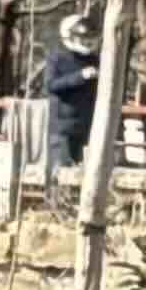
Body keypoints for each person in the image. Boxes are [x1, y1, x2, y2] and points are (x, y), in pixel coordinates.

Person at [39, 11, 104, 176]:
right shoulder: (58, 58)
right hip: (63, 127)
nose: (87, 42)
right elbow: (51, 85)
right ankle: (54, 201)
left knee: (83, 172)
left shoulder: (94, 59)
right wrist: (80, 77)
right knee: (60, 172)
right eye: (83, 38)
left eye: (90, 38)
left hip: (87, 125)